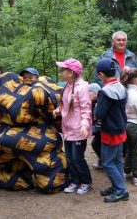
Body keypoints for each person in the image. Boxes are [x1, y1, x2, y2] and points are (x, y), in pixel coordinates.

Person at [53, 58, 93, 195]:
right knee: (69, 157)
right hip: (68, 128)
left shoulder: (82, 88)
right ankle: (75, 181)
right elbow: (65, 103)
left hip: (78, 129)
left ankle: (86, 182)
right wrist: (58, 110)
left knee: (77, 158)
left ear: (71, 73)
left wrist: (85, 124)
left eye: (63, 70)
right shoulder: (67, 86)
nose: (61, 72)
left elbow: (86, 108)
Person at [94, 58, 129, 203]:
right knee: (117, 160)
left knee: (107, 162)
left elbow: (99, 113)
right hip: (120, 128)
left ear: (101, 74)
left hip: (110, 131)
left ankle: (121, 191)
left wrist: (95, 107)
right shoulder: (121, 87)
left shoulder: (105, 91)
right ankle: (117, 186)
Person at [89, 82, 103, 169]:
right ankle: (102, 161)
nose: (87, 94)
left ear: (96, 92)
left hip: (104, 129)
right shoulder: (92, 102)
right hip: (98, 129)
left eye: (89, 91)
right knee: (95, 144)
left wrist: (93, 130)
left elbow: (100, 119)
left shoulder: (101, 101)